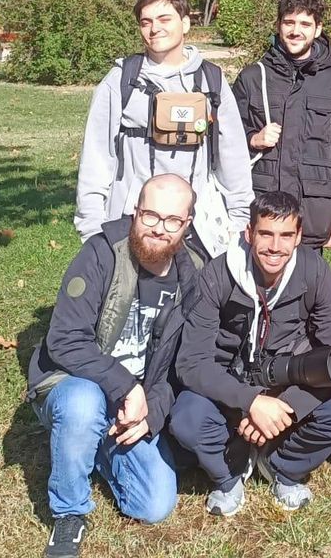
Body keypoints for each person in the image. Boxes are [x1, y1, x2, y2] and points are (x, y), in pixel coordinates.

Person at [26, 175, 203, 558]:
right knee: (82, 405)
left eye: (172, 220)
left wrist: (151, 413)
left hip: (132, 404)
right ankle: (69, 511)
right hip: (74, 382)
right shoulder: (101, 252)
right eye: (150, 215)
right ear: (135, 211)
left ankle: (85, 445)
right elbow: (64, 339)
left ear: (187, 224)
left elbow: (184, 365)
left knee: (154, 504)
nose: (159, 228)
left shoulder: (193, 275)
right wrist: (127, 386)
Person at [168, 190, 331, 516]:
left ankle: (282, 465)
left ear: (299, 236)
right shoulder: (217, 275)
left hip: (290, 377)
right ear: (249, 233)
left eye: (286, 235)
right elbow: (191, 362)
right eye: (266, 234)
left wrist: (286, 407)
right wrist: (251, 401)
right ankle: (228, 473)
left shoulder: (314, 272)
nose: (275, 246)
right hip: (228, 382)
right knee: (187, 418)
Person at [75, 0, 252, 257]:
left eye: (164, 19)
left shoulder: (212, 81)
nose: (154, 28)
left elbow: (233, 159)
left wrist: (240, 223)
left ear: (185, 23)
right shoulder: (120, 81)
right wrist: (93, 231)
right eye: (146, 22)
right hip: (133, 226)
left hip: (198, 230)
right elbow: (96, 159)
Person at [232, 0, 331, 249]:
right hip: (261, 209)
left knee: (306, 275)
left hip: (312, 214)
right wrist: (253, 139)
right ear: (278, 25)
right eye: (289, 22)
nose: (295, 31)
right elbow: (225, 142)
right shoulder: (253, 78)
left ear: (318, 29)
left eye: (305, 24)